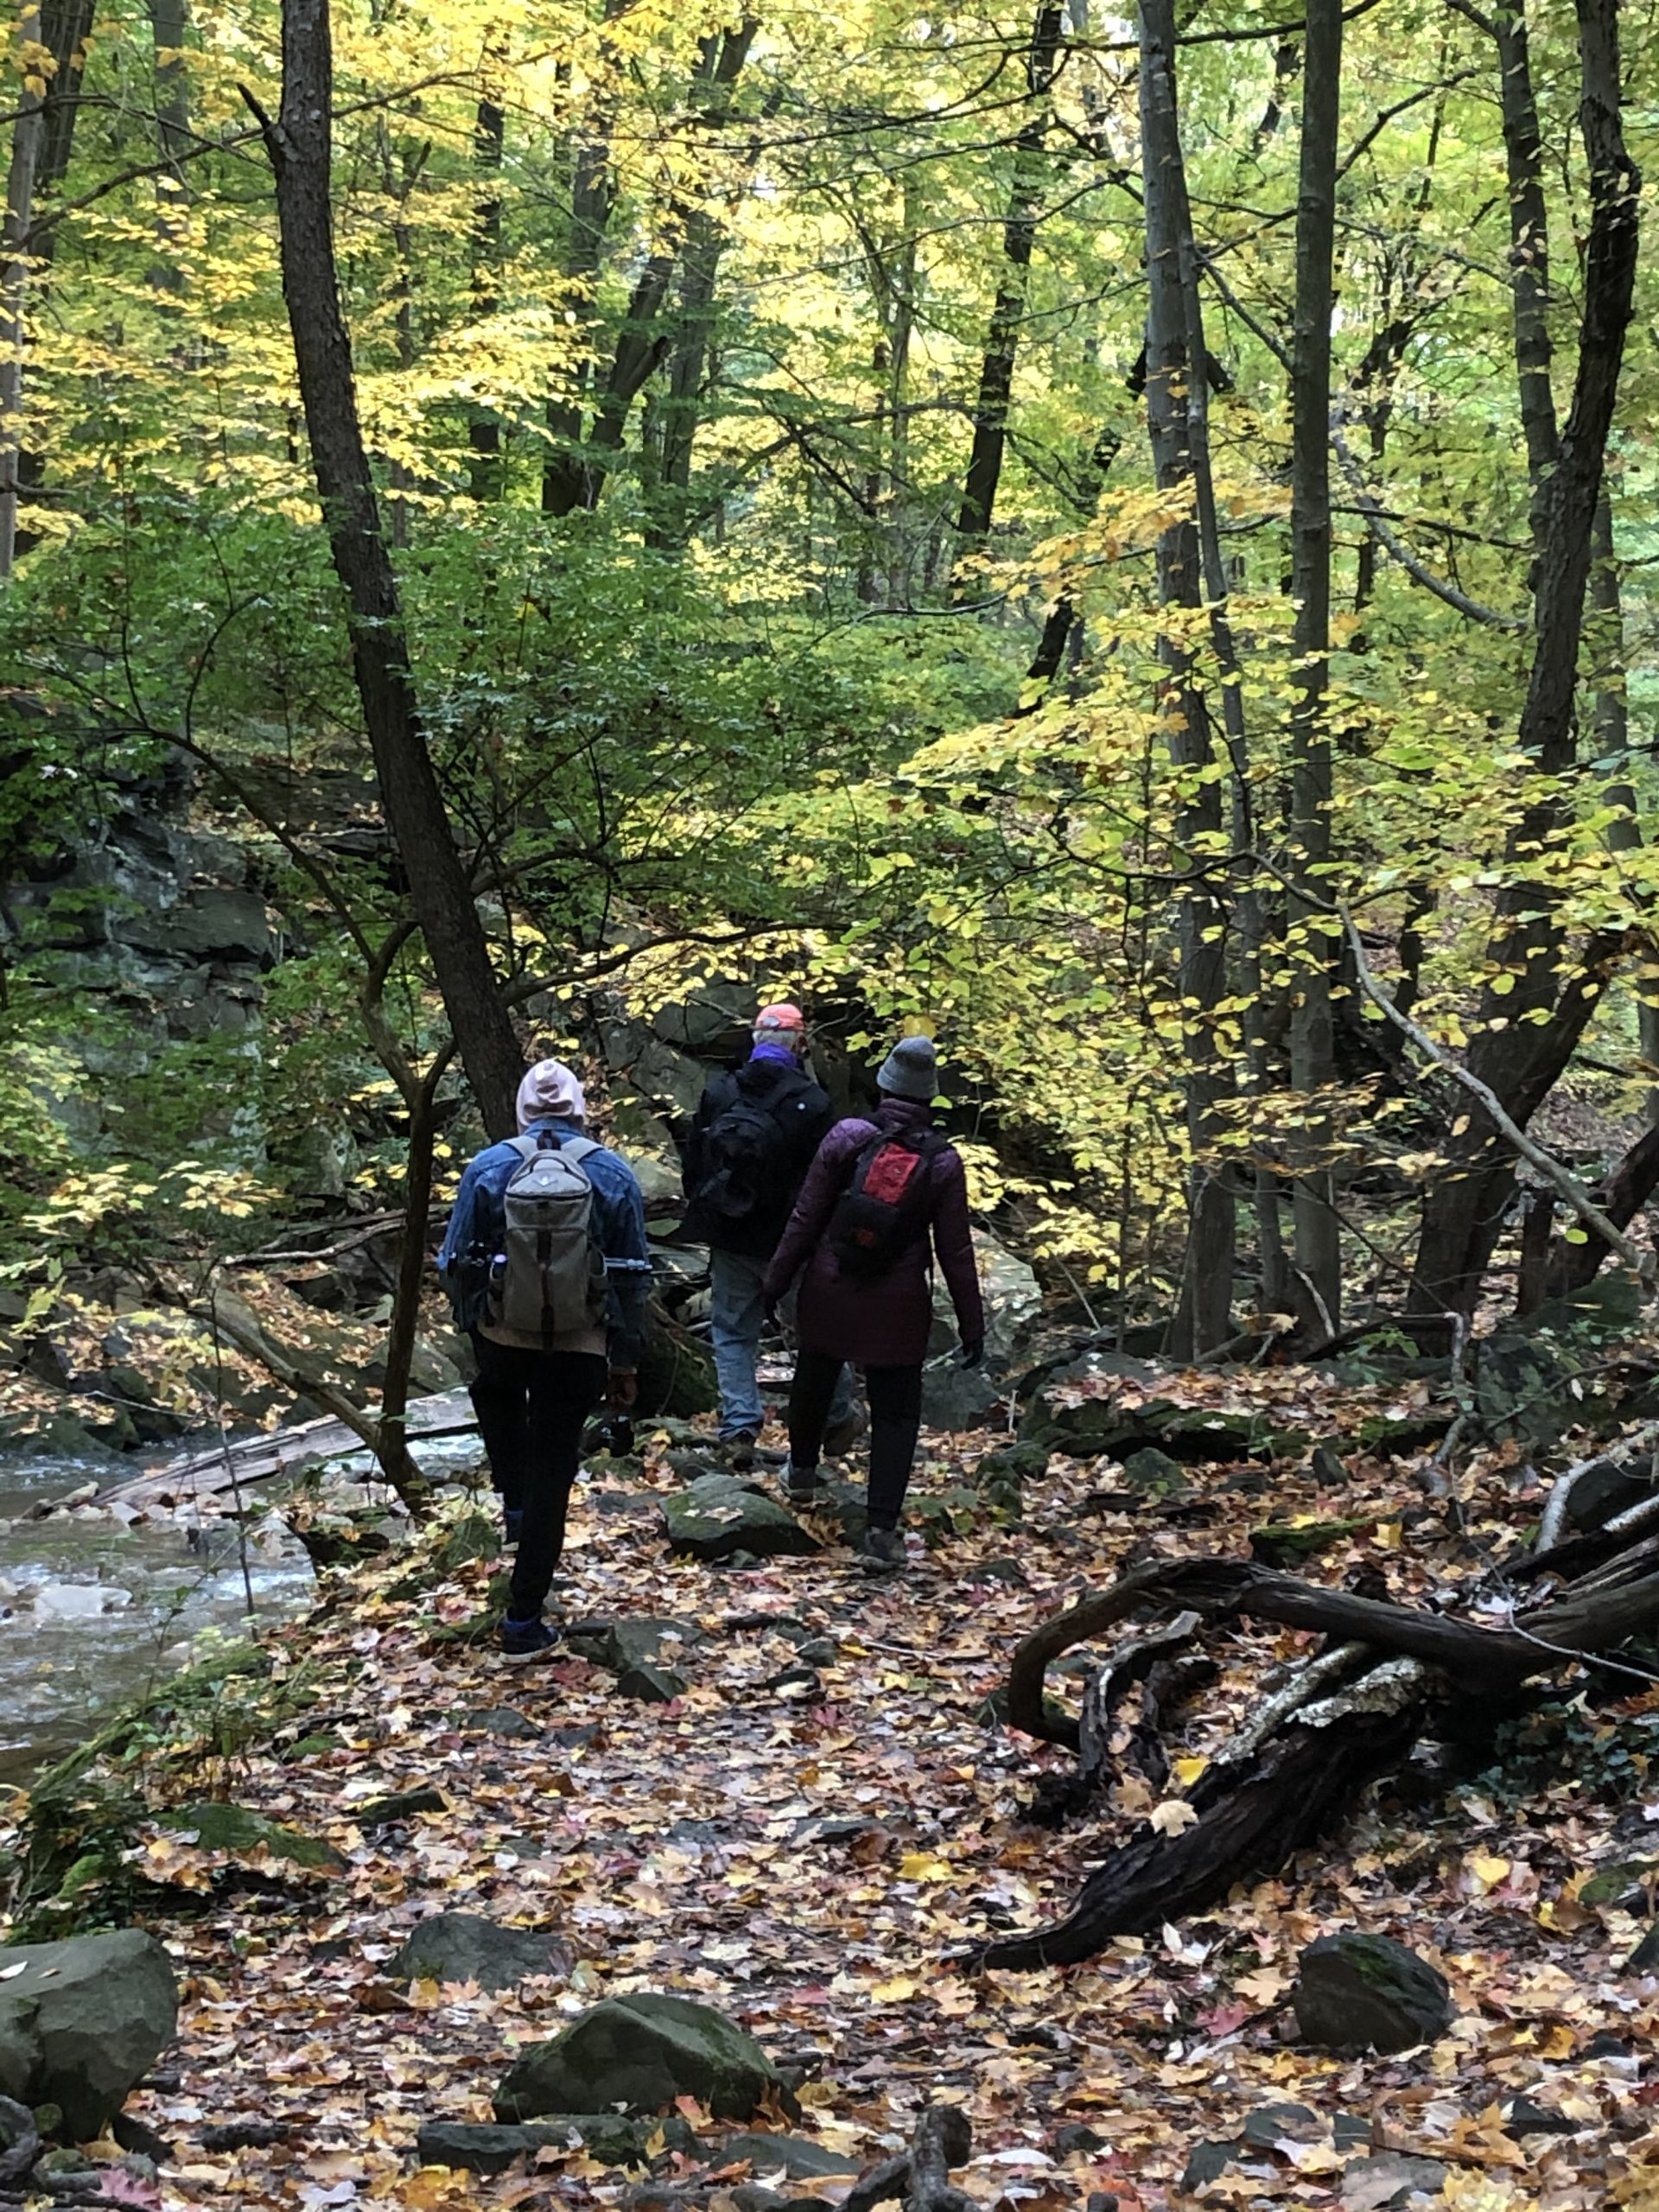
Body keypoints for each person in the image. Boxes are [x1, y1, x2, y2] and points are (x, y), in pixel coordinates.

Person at [437, 1058, 651, 1662]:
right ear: (580, 1109)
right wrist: (625, 1360)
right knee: (555, 1468)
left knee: (496, 1396)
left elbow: (453, 1262)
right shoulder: (610, 1171)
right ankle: (523, 1618)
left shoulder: (489, 1165)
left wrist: (475, 1325)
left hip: (503, 1341)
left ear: (523, 1111)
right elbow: (633, 1278)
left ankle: (514, 1506)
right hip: (580, 1345)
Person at [763, 1034, 983, 1571]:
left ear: (884, 1083)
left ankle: (802, 1475)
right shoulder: (943, 1163)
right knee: (897, 1413)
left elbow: (805, 1217)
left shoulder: (846, 1136)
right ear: (930, 1096)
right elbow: (955, 1251)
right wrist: (973, 1327)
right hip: (899, 1304)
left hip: (831, 1287)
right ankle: (881, 1529)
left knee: (815, 1378)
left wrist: (773, 1285)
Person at [681, 1002, 856, 1467]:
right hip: (790, 1240)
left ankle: (739, 1427)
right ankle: (838, 1416)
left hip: (731, 1235)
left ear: (755, 1042)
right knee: (816, 1333)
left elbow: (695, 1162)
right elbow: (829, 1178)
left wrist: (706, 1215)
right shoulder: (813, 1103)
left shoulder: (720, 1093)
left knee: (733, 1333)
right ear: (799, 1045)